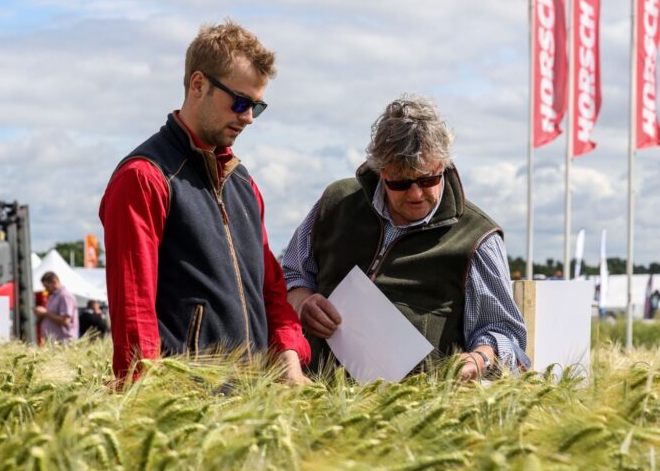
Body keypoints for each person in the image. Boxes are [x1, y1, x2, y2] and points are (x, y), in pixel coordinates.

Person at [99, 20, 310, 383]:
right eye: (240, 103)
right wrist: (140, 405)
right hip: (187, 408)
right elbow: (134, 313)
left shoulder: (243, 182)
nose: (247, 118)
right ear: (198, 85)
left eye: (257, 108)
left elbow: (270, 288)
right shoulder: (144, 178)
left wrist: (288, 353)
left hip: (254, 407)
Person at [282, 95, 528, 380]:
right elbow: (291, 274)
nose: (415, 194)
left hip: (412, 411)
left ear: (444, 166)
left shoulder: (476, 237)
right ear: (380, 171)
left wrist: (479, 358)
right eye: (399, 182)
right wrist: (303, 302)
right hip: (313, 396)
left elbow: (505, 333)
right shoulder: (336, 202)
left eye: (427, 180)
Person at [34, 272, 79, 343]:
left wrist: (45, 313)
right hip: (55, 342)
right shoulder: (53, 296)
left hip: (64, 342)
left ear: (54, 282)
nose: (46, 289)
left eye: (47, 287)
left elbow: (65, 321)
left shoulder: (65, 296)